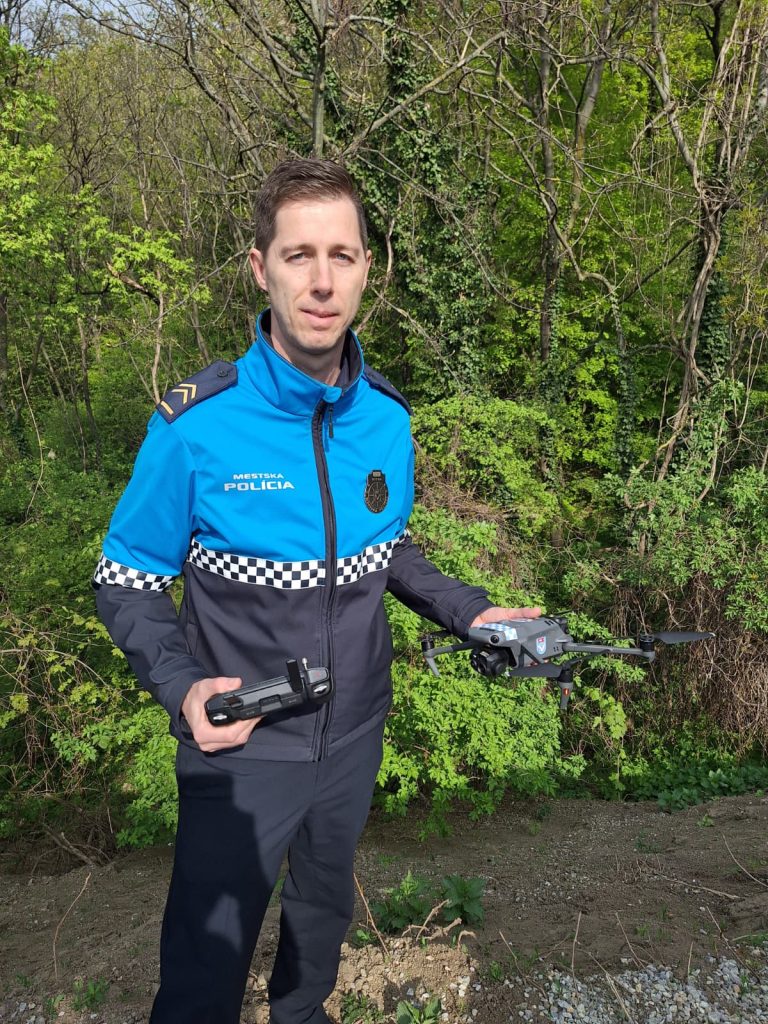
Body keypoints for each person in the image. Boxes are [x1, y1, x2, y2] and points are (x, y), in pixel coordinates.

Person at [93, 158, 540, 1024]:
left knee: (320, 930)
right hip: (243, 749)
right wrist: (183, 688)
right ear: (260, 268)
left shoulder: (387, 419)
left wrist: (470, 610)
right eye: (299, 255)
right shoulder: (197, 427)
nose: (323, 281)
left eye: (342, 254)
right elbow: (125, 578)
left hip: (355, 733)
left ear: (369, 267)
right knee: (203, 971)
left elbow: (388, 548)